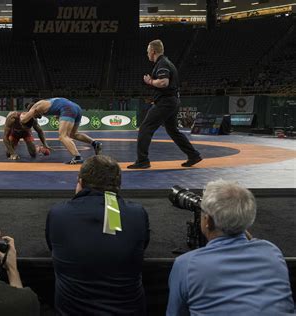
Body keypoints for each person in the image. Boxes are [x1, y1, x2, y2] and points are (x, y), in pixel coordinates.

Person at [167, 180, 295, 315]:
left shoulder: (186, 265)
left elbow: (175, 313)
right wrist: (237, 225)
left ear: (208, 221)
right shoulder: (271, 251)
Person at [46, 155, 150, 314]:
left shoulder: (58, 214)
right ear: (118, 185)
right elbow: (141, 246)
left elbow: (52, 247)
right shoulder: (136, 214)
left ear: (80, 182)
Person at [128, 40, 202, 169]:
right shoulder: (166, 62)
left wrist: (150, 81)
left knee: (145, 128)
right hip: (172, 101)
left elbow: (164, 83)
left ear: (153, 51)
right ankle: (193, 155)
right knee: (173, 130)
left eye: (148, 52)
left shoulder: (162, 63)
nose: (147, 54)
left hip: (165, 102)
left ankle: (142, 160)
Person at [21, 97, 102, 164]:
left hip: (68, 109)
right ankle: (95, 143)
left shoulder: (35, 106)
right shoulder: (47, 102)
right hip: (76, 108)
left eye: (34, 115)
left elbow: (23, 120)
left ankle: (77, 157)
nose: (35, 117)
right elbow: (60, 105)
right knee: (73, 134)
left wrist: (22, 115)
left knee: (62, 136)